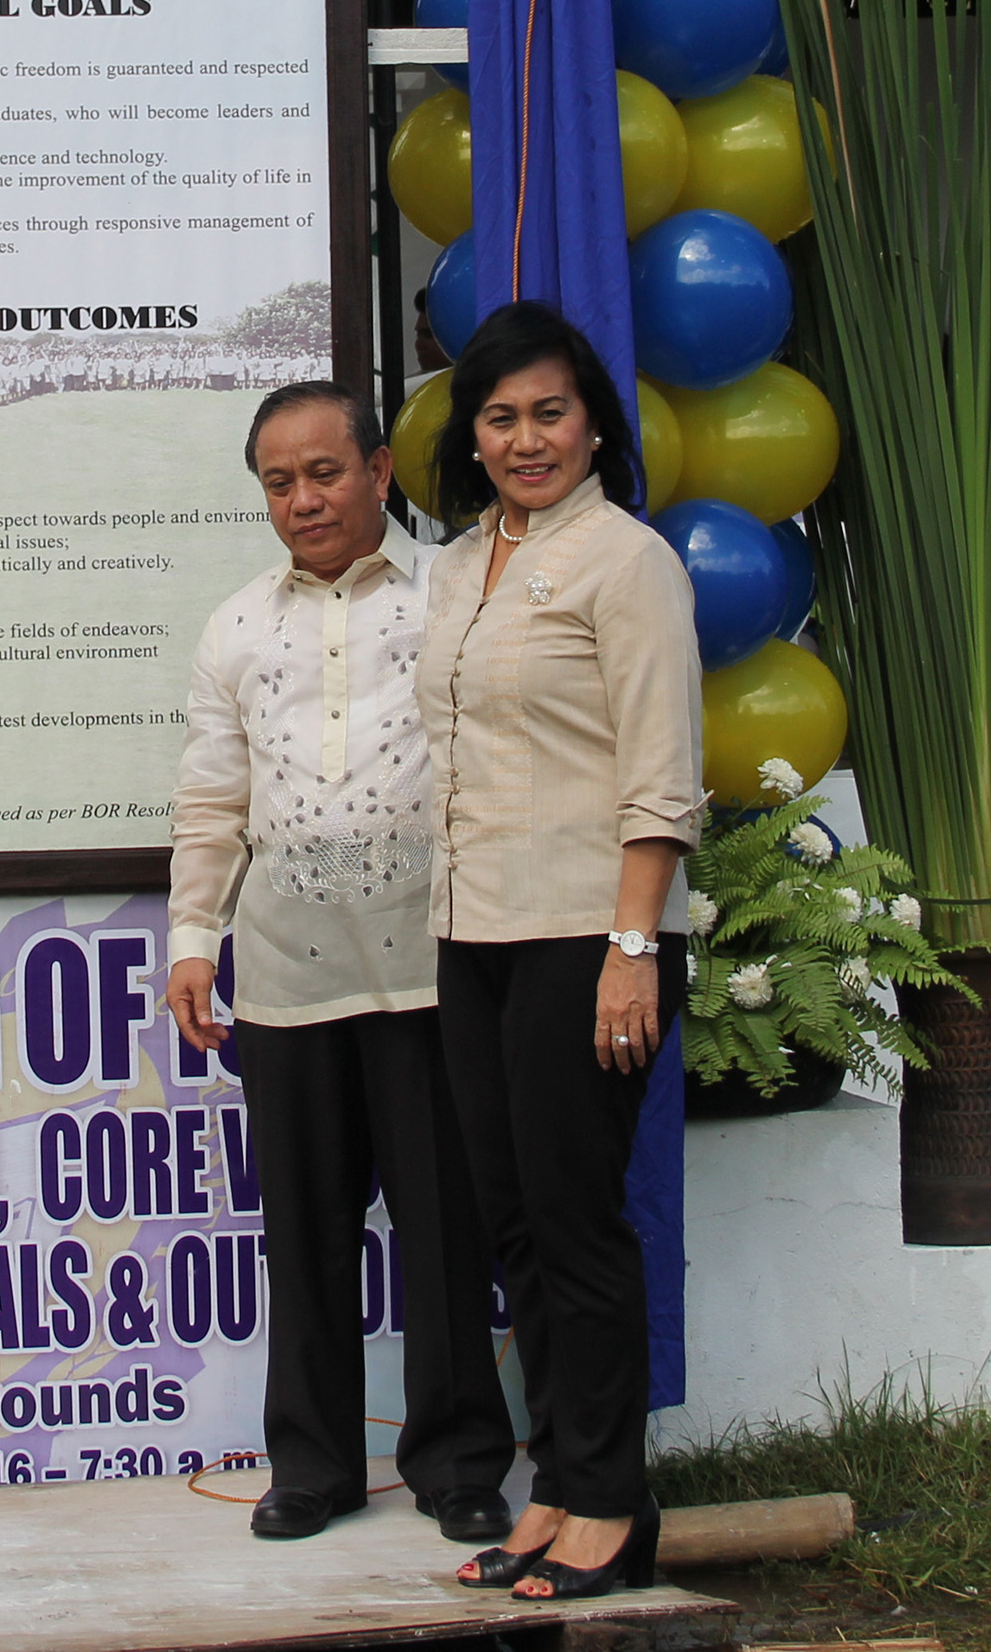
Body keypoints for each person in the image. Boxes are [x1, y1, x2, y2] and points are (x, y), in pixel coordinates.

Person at [165, 382, 514, 1547]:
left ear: (378, 470)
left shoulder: (456, 594)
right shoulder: (236, 626)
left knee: (443, 1225)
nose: (303, 499)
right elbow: (213, 798)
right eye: (278, 481)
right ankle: (310, 1465)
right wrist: (190, 940)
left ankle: (461, 1460)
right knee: (303, 1230)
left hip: (433, 966)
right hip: (285, 972)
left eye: (324, 472)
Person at [417, 300, 702, 1603]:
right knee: (515, 1226)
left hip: (591, 937)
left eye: (549, 411)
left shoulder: (626, 560)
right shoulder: (459, 561)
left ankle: (611, 1504)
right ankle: (559, 1488)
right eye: (500, 415)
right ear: (471, 434)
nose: (526, 438)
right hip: (472, 935)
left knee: (580, 1226)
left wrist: (634, 946)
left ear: (592, 421)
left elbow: (663, 778)